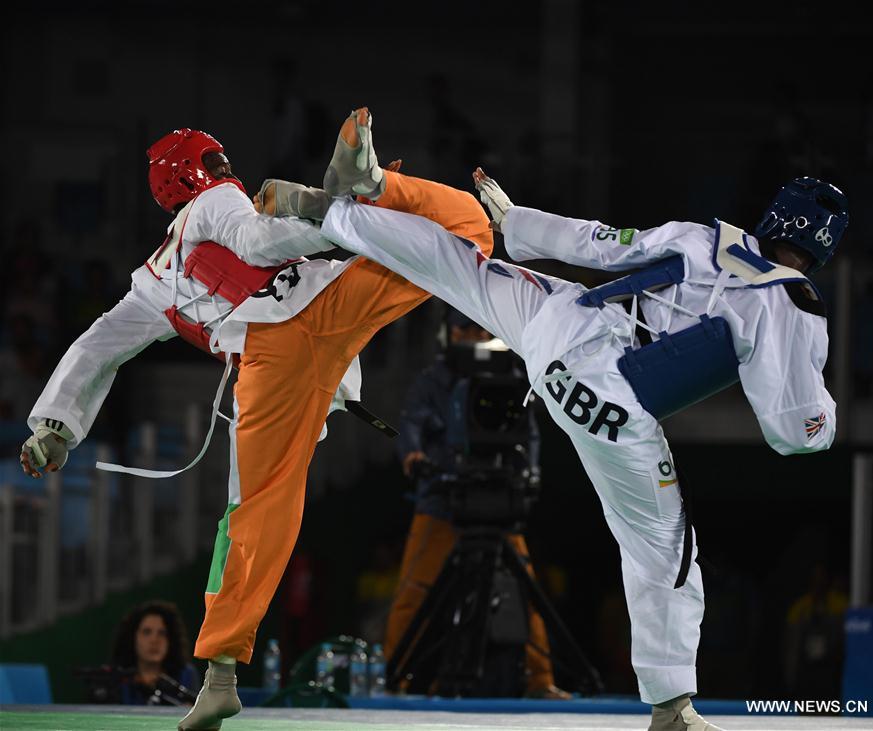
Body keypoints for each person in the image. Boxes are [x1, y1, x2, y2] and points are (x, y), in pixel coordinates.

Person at [267, 107, 846, 731]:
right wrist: (827, 416)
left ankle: (331, 212)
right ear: (824, 248)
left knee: (457, 265)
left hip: (562, 323)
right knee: (662, 548)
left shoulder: (705, 237)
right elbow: (792, 434)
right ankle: (672, 707)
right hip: (608, 400)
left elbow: (599, 242)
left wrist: (516, 222)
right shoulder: (790, 303)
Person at [19, 121, 492, 729]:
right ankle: (375, 189)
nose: (221, 168)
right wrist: (327, 210)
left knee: (256, 515)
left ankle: (219, 676)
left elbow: (98, 346)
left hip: (276, 365)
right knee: (466, 235)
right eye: (211, 160)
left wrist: (54, 425)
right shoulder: (215, 202)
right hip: (321, 313)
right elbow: (257, 238)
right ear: (193, 173)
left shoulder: (149, 285)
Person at [386, 307, 567, 699]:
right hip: (441, 499)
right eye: (464, 329)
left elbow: (527, 433)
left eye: (480, 329)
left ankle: (540, 681)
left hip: (497, 501)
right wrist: (413, 456)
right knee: (414, 592)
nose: (473, 337)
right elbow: (412, 423)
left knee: (527, 590)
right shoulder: (433, 381)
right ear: (449, 335)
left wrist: (529, 474)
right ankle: (396, 680)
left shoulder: (512, 378)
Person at [110, 600, 200, 705]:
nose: (154, 640)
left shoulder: (186, 674)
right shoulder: (118, 678)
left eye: (162, 633)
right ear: (132, 638)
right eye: (146, 632)